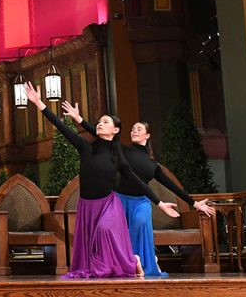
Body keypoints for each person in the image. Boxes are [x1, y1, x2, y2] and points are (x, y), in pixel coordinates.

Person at [24, 82, 179, 278]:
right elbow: (61, 126)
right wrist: (39, 104)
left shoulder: (118, 156)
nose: (100, 123)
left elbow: (137, 181)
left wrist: (160, 203)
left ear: (115, 130)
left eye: (105, 122)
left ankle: (130, 261)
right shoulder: (85, 146)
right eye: (99, 121)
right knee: (93, 249)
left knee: (104, 230)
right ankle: (133, 261)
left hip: (108, 205)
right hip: (87, 206)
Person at [61, 102, 216, 277]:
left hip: (140, 202)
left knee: (139, 224)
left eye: (139, 128)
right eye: (133, 128)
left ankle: (141, 262)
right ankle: (128, 263)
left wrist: (193, 203)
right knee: (110, 232)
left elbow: (172, 186)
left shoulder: (152, 165)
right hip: (118, 200)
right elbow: (98, 133)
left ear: (148, 135)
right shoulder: (121, 151)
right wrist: (79, 119)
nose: (134, 130)